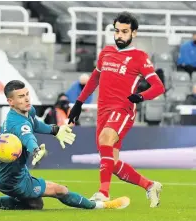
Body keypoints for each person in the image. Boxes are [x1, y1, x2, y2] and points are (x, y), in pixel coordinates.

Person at [0, 80, 130, 212]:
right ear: (10, 101)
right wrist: (36, 150)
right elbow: (28, 137)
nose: (26, 98)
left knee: (35, 204)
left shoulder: (28, 111)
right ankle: (100, 205)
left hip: (9, 173)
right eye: (20, 96)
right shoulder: (16, 123)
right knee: (59, 190)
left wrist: (55, 130)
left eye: (26, 94)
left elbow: (36, 125)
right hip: (13, 178)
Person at [68, 12, 165, 208]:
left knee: (105, 140)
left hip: (122, 109)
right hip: (103, 111)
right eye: (117, 31)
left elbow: (158, 86)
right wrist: (78, 103)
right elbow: (94, 79)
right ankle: (150, 185)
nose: (119, 35)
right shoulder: (106, 53)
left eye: (124, 32)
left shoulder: (139, 57)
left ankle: (103, 193)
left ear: (134, 33)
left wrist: (141, 96)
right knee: (111, 163)